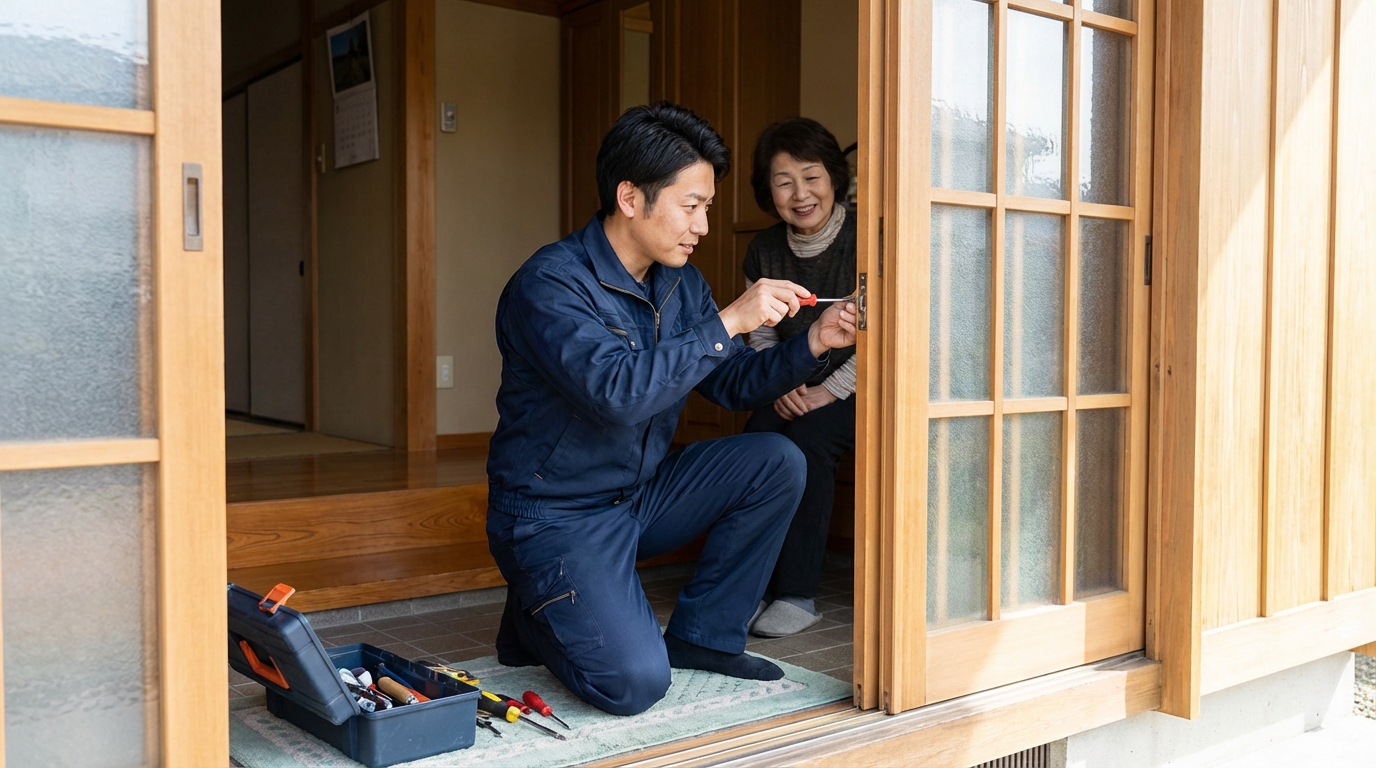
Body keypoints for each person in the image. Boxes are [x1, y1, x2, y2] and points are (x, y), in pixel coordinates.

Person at [485, 103, 858, 716]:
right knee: (632, 684)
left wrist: (817, 342)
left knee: (776, 458)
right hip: (555, 514)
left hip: (638, 495)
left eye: (707, 207)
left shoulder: (679, 283)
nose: (703, 226)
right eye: (692, 207)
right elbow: (615, 394)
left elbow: (734, 383)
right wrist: (730, 320)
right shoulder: (550, 285)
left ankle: (704, 639)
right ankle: (537, 613)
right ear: (631, 198)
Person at [741, 118, 857, 638]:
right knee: (756, 438)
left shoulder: (865, 239)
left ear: (834, 178)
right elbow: (761, 334)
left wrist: (828, 390)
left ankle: (797, 593)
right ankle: (745, 584)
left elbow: (890, 336)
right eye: (784, 181)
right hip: (791, 380)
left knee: (810, 441)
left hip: (863, 384)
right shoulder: (763, 249)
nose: (800, 193)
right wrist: (779, 382)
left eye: (811, 177)